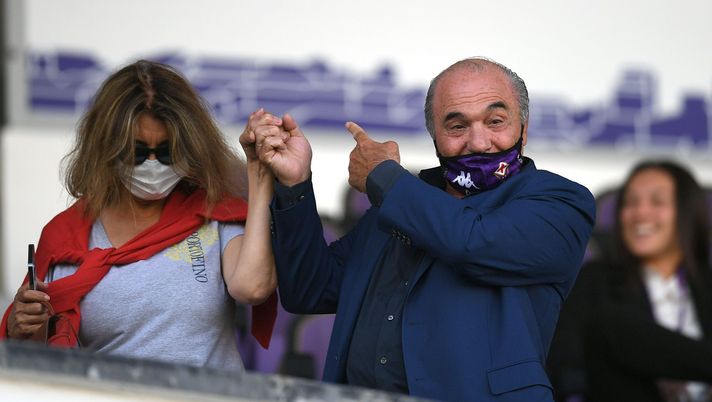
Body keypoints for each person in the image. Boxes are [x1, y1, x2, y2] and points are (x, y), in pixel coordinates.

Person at [242, 57, 596, 401]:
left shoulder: (561, 201)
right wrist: (296, 184)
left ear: (524, 127)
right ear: (434, 136)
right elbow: (310, 290)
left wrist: (383, 176)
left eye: (496, 121)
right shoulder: (406, 200)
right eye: (457, 126)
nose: (478, 141)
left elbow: (471, 240)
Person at [0, 60, 278, 372]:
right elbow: (39, 355)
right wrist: (20, 325)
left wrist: (258, 170)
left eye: (166, 151)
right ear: (106, 148)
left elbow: (253, 287)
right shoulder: (66, 237)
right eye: (136, 152)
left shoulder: (215, 213)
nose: (152, 164)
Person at [548, 160, 712, 402]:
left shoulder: (707, 285)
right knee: (608, 325)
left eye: (657, 202)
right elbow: (566, 368)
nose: (640, 213)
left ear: (687, 211)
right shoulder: (594, 281)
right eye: (630, 203)